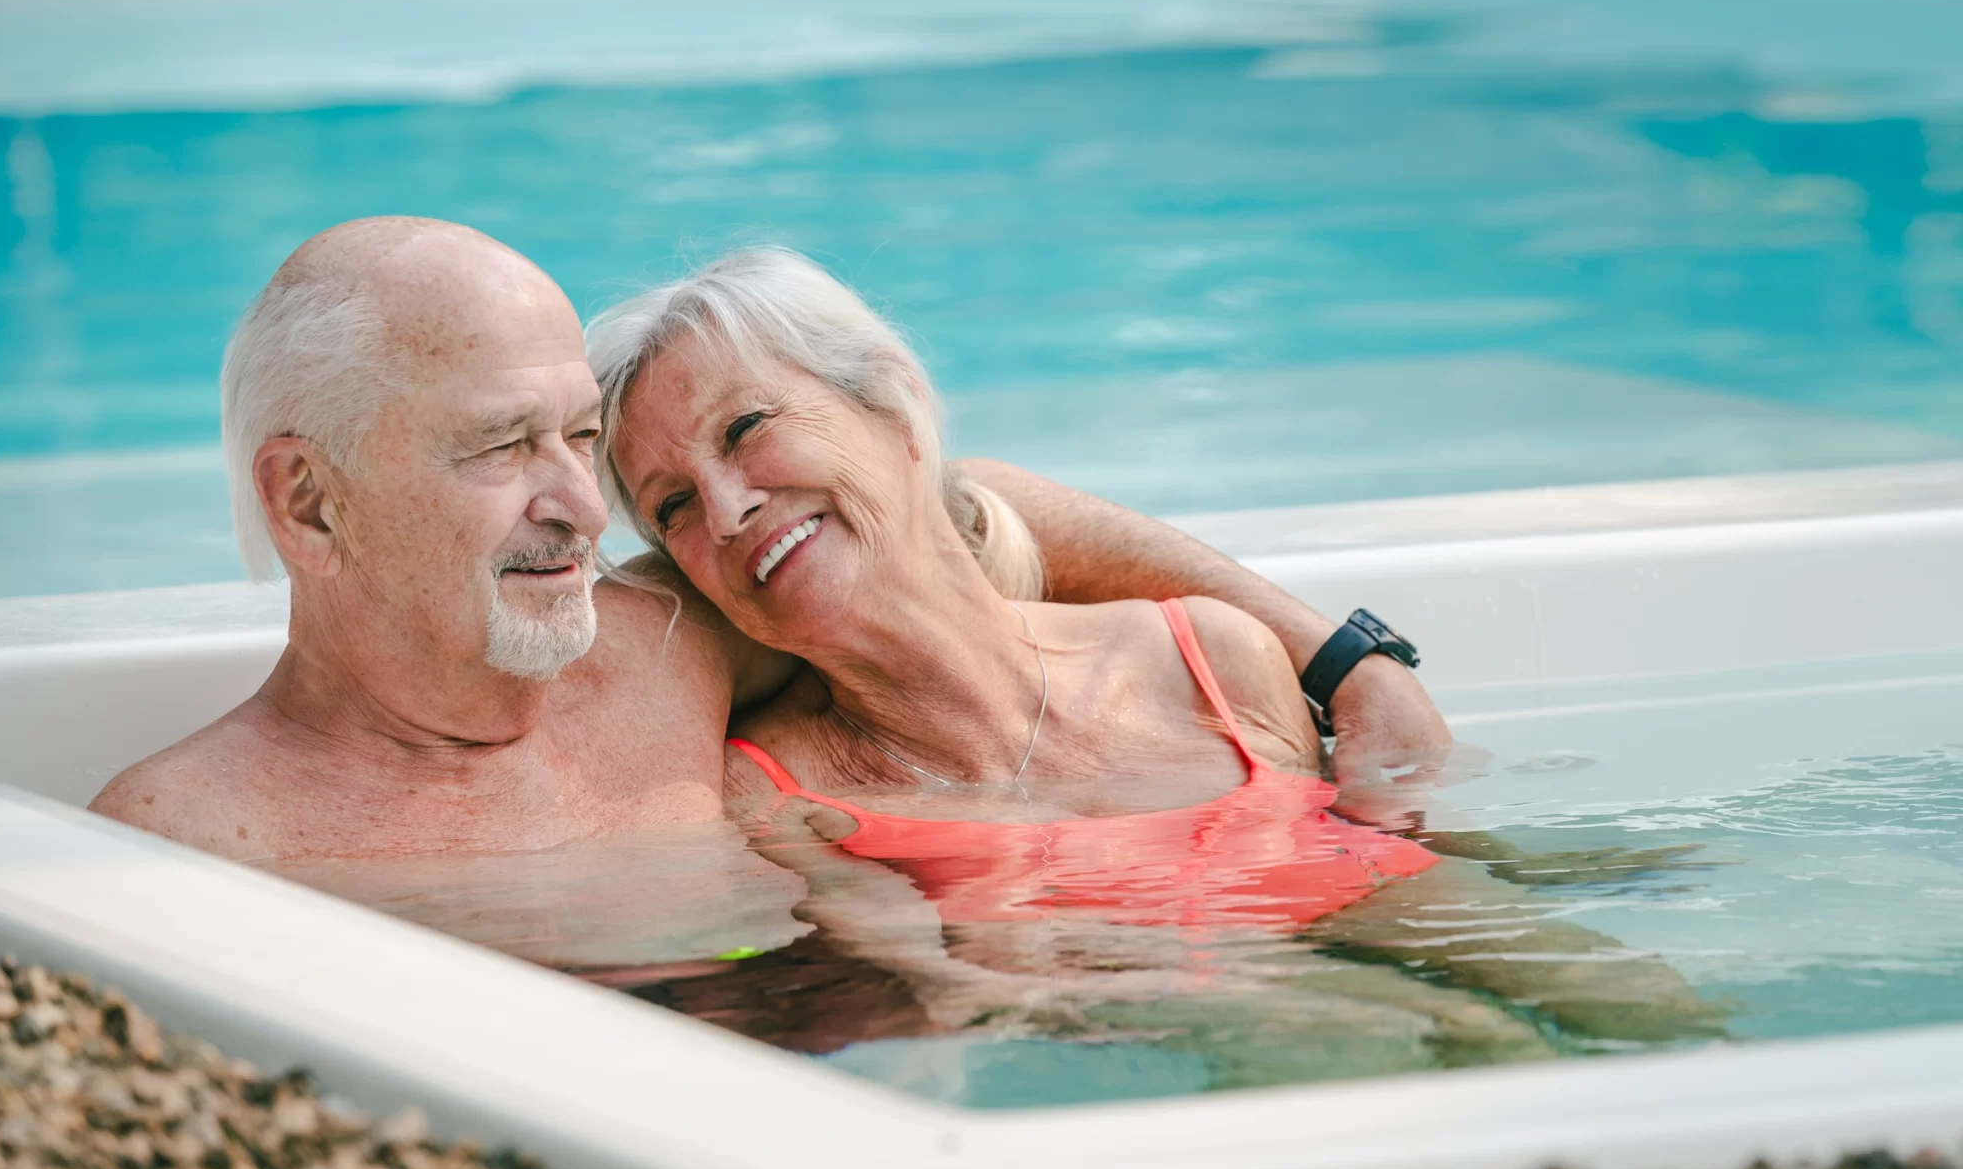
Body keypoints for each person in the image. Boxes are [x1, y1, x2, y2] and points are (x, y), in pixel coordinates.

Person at [592, 247, 1721, 1049]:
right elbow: (939, 988)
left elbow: (1368, 846)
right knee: (1403, 1037)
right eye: (673, 506)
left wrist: (1530, 864)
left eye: (748, 429)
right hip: (1215, 1032)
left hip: (1371, 937)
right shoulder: (776, 789)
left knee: (1656, 1015)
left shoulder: (1208, 656)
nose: (729, 505)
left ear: (893, 409)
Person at [88, 219, 1447, 884]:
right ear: (310, 505)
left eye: (580, 437)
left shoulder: (655, 652)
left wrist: (1346, 654)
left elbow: (951, 510)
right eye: (505, 446)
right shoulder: (195, 833)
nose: (580, 501)